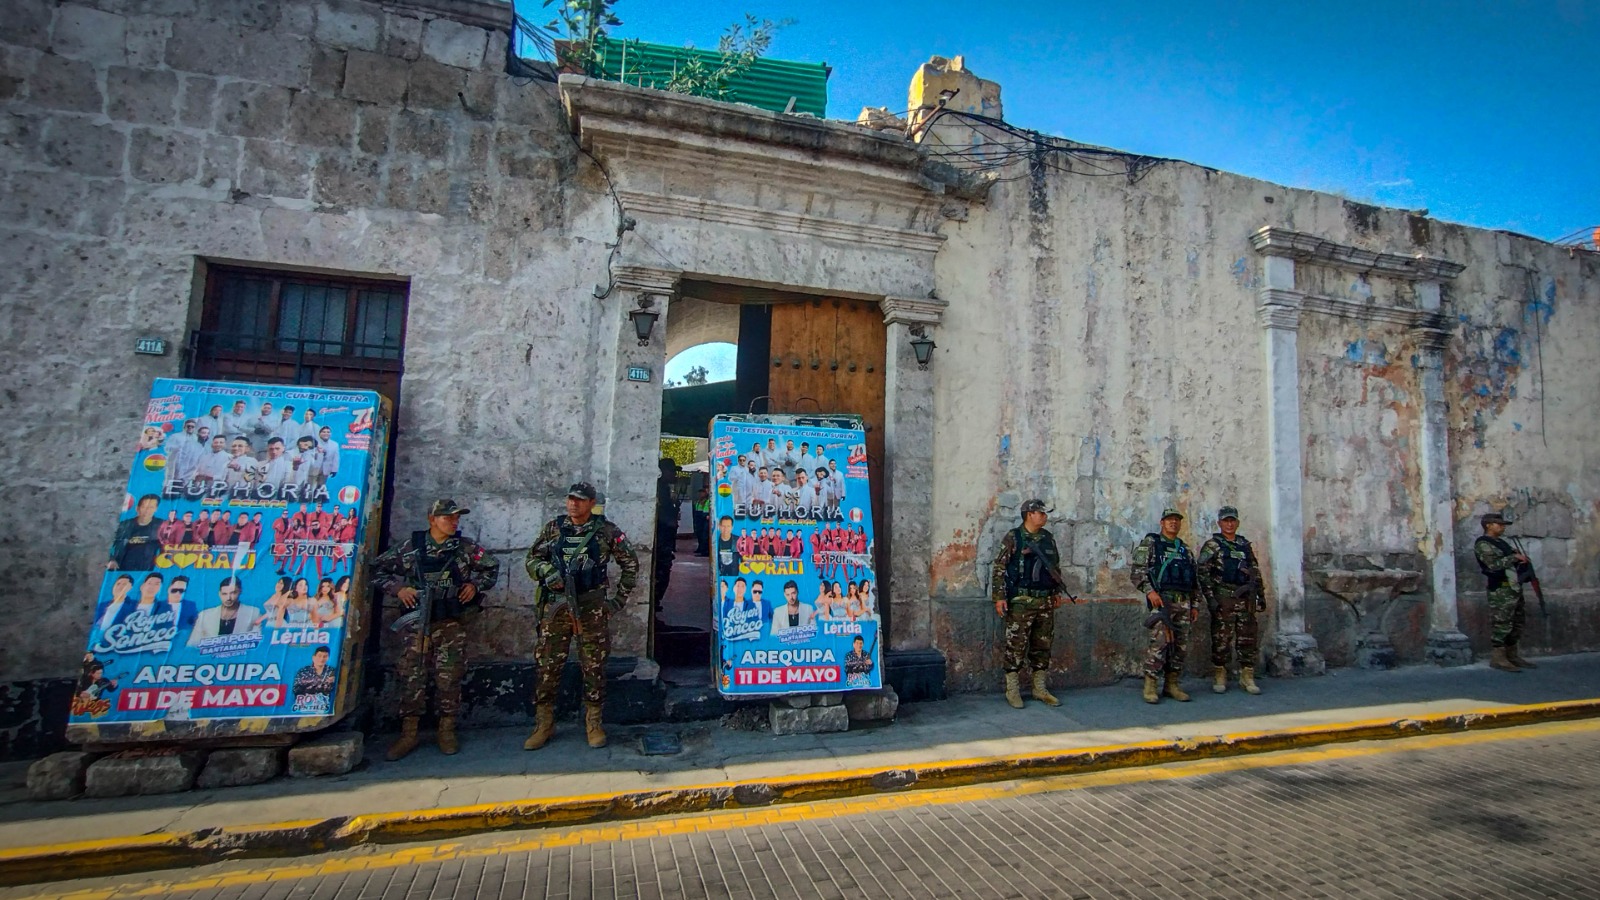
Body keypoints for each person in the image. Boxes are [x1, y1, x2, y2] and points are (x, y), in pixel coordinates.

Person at [372, 499, 499, 759]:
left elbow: (491, 568)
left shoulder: (464, 548)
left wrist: (475, 586)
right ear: (432, 519)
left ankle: (447, 730)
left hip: (451, 623)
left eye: (456, 518)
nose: (454, 522)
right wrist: (398, 589)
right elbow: (376, 569)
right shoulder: (411, 548)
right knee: (412, 676)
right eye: (447, 517)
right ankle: (408, 734)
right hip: (417, 624)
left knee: (449, 677)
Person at [524, 482, 639, 751]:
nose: (573, 504)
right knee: (548, 665)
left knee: (594, 665)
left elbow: (630, 564)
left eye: (580, 500)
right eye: (571, 499)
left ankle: (594, 722)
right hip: (556, 609)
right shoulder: (554, 528)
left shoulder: (606, 531)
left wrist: (617, 601)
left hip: (590, 607)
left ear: (591, 503)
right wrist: (546, 572)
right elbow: (532, 559)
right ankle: (544, 723)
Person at [988, 499, 1069, 708]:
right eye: (1041, 513)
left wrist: (1057, 591)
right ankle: (1012, 690)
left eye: (1044, 514)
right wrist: (999, 597)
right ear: (1029, 514)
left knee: (1042, 645)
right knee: (1015, 645)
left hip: (1044, 600)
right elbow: (999, 567)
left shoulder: (1047, 538)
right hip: (1020, 602)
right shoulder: (1014, 537)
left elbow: (1054, 567)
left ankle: (1039, 688)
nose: (1045, 517)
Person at [1132, 507, 1199, 704]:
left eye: (1176, 520)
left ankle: (1172, 684)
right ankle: (1150, 684)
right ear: (1162, 523)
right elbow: (1137, 571)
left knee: (1180, 645)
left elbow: (1194, 581)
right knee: (1159, 643)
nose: (1173, 523)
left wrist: (1195, 604)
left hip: (1184, 603)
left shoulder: (1184, 549)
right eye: (1169, 520)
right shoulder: (1152, 544)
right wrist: (1149, 591)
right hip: (1162, 601)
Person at [1197, 506, 1264, 695]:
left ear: (1237, 523)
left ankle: (1247, 675)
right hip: (1224, 598)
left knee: (1248, 637)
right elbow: (1203, 572)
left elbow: (1254, 571)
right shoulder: (1213, 546)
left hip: (1245, 599)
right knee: (1221, 638)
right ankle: (1220, 673)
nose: (1229, 524)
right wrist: (1210, 598)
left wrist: (1260, 595)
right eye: (1226, 521)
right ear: (1219, 523)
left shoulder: (1244, 545)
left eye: (1232, 520)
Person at [1475, 512, 1537, 672]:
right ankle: (1498, 658)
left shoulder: (1502, 543)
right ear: (1488, 525)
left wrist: (1521, 560)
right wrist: (1514, 558)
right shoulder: (1483, 544)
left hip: (1513, 586)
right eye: (1499, 524)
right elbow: (1492, 565)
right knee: (1502, 623)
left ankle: (1512, 655)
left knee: (1517, 621)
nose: (1502, 527)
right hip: (1500, 589)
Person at [188, 576, 265, 644]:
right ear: (219, 594)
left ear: (240, 592)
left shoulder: (254, 613)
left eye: (233, 593)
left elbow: (259, 644)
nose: (228, 598)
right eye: (224, 594)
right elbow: (192, 644)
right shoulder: (205, 615)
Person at [107, 494, 163, 571]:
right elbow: (109, 543)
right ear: (137, 508)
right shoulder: (124, 525)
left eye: (151, 507)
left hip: (147, 570)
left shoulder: (162, 525)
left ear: (156, 509)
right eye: (144, 507)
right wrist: (111, 559)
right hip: (121, 568)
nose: (147, 511)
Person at [653, 459, 680, 609]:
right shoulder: (660, 489)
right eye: (672, 471)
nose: (674, 475)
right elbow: (662, 515)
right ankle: (655, 603)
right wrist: (670, 521)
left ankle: (656, 604)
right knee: (661, 573)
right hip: (662, 538)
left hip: (665, 538)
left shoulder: (664, 488)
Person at [291, 645, 336, 714]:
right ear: (314, 657)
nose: (322, 659)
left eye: (325, 656)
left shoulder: (332, 671)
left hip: (325, 708)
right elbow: (296, 689)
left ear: (328, 658)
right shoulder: (303, 671)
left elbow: (332, 689)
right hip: (304, 707)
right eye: (319, 656)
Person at [692, 487, 711, 556]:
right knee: (699, 534)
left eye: (702, 493)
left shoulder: (707, 500)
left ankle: (704, 551)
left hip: (704, 517)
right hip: (699, 517)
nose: (700, 494)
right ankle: (700, 548)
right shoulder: (698, 501)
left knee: (704, 535)